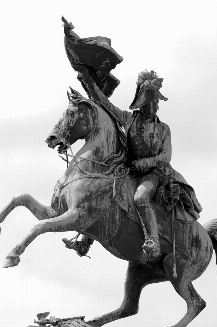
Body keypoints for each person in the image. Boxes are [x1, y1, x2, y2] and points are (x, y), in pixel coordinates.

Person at [63, 68, 202, 259]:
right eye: (154, 101)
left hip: (154, 174)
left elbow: (165, 156)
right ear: (144, 102)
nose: (156, 105)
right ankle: (85, 241)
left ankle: (152, 240)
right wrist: (88, 81)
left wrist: (144, 164)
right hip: (128, 170)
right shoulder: (129, 119)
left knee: (140, 198)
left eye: (156, 101)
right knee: (100, 190)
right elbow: (105, 103)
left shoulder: (163, 129)